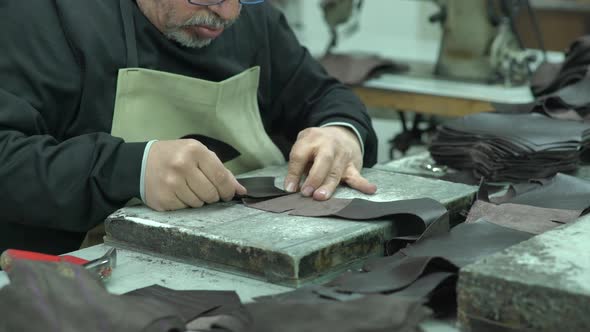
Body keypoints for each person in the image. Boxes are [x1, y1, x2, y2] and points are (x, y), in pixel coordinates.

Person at [0, 0, 378, 254]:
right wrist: (133, 169)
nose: (226, 13)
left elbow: (323, 94)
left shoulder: (251, 18)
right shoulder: (39, 17)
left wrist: (341, 132)